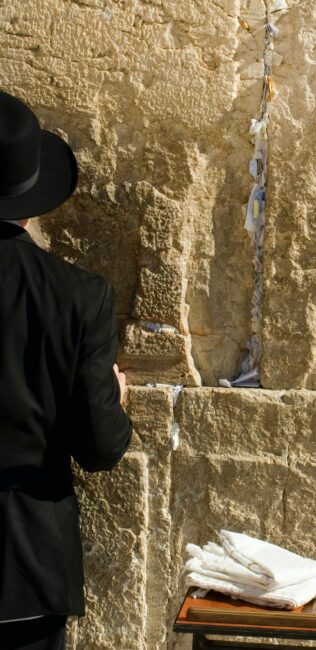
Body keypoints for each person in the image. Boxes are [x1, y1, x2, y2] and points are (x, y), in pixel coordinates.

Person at [0, 90, 133, 650]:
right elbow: (100, 448)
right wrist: (114, 401)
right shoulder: (79, 297)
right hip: (26, 569)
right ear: (31, 196)